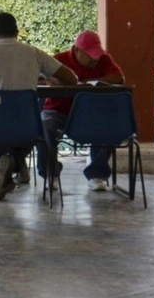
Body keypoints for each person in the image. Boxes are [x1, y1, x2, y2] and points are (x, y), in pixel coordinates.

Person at [0, 12, 77, 201]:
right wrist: (47, 78)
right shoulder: (33, 52)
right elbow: (72, 78)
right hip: (27, 126)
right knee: (34, 134)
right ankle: (12, 161)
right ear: (17, 32)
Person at [39, 31, 125, 192]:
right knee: (44, 125)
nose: (95, 59)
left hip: (91, 113)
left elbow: (118, 78)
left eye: (97, 55)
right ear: (76, 50)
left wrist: (86, 82)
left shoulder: (104, 60)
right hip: (58, 112)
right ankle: (51, 174)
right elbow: (43, 77)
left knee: (108, 123)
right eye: (90, 55)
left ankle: (97, 174)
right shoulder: (58, 60)